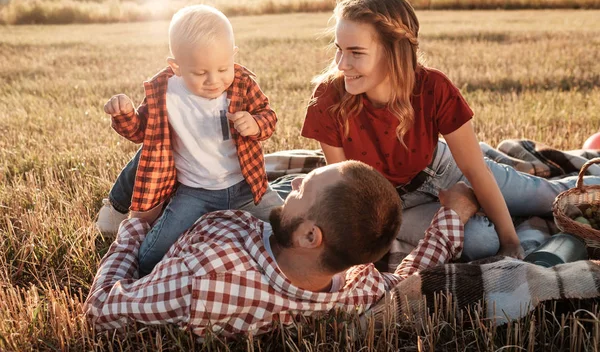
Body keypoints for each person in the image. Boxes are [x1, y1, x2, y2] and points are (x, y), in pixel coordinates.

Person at [301, 0, 600, 261]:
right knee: (481, 243)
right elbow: (345, 188)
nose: (341, 63)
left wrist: (512, 243)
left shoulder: (433, 86)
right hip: (393, 204)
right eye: (338, 48)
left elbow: (473, 169)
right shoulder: (329, 98)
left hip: (447, 169)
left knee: (553, 198)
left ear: (395, 52)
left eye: (356, 52)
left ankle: (490, 201)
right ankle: (473, 204)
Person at [84, 160, 479, 338]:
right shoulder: (357, 287)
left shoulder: (202, 275)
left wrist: (137, 224)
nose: (292, 187)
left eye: (303, 190)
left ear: (310, 237)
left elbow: (101, 311)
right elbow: (408, 276)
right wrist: (454, 215)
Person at [100, 4, 283, 275]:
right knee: (150, 257)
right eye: (200, 73)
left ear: (233, 56)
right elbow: (140, 131)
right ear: (176, 67)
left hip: (247, 187)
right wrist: (124, 114)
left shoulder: (243, 84)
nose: (214, 80)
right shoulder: (164, 92)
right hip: (194, 193)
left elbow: (268, 117)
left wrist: (255, 124)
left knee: (289, 229)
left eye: (223, 68)